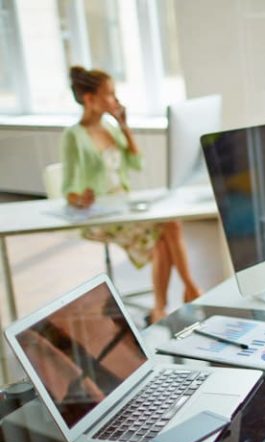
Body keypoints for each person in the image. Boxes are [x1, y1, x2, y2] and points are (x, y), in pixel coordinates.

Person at [62, 66, 202, 323]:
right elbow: (67, 189)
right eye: (110, 94)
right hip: (99, 215)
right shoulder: (74, 136)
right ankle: (186, 291)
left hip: (124, 204)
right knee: (166, 232)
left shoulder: (111, 129)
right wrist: (81, 199)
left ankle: (163, 306)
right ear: (89, 99)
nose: (116, 100)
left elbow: (137, 164)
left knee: (170, 224)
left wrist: (124, 127)